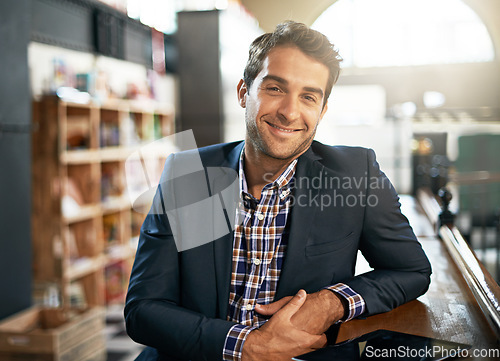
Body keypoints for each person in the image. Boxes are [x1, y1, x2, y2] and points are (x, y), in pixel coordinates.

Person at [124, 21, 432, 361]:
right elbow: (143, 309)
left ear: (322, 110)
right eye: (275, 89)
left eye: (309, 96)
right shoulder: (191, 175)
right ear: (244, 93)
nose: (289, 111)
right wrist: (246, 346)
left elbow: (412, 271)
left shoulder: (356, 175)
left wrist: (331, 303)